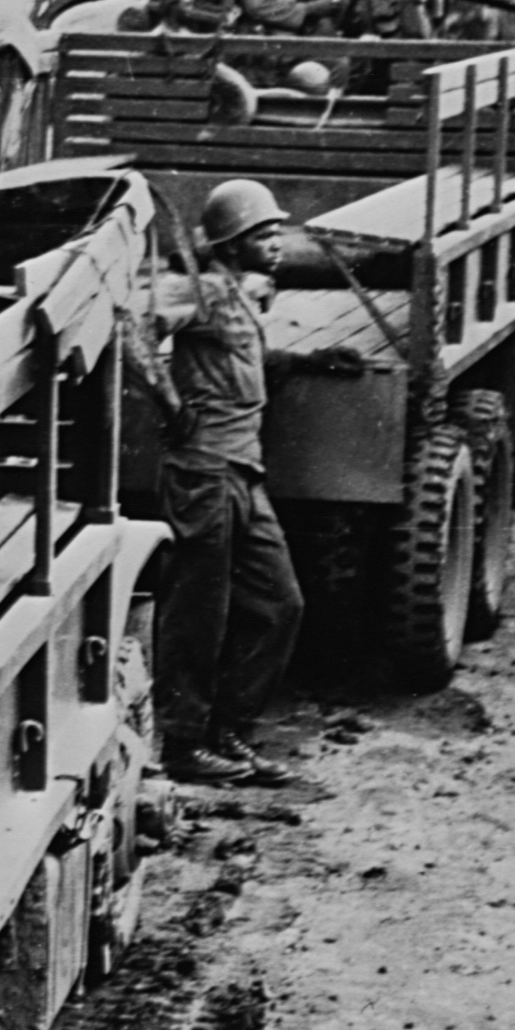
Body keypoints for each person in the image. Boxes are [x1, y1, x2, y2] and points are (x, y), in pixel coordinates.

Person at [149, 179, 361, 790]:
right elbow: (130, 326)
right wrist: (168, 402)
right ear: (233, 243)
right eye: (264, 235)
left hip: (241, 470)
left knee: (279, 604)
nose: (277, 244)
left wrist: (309, 361)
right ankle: (184, 743)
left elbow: (240, 362)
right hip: (204, 472)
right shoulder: (205, 289)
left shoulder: (235, 297)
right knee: (199, 613)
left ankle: (229, 734)